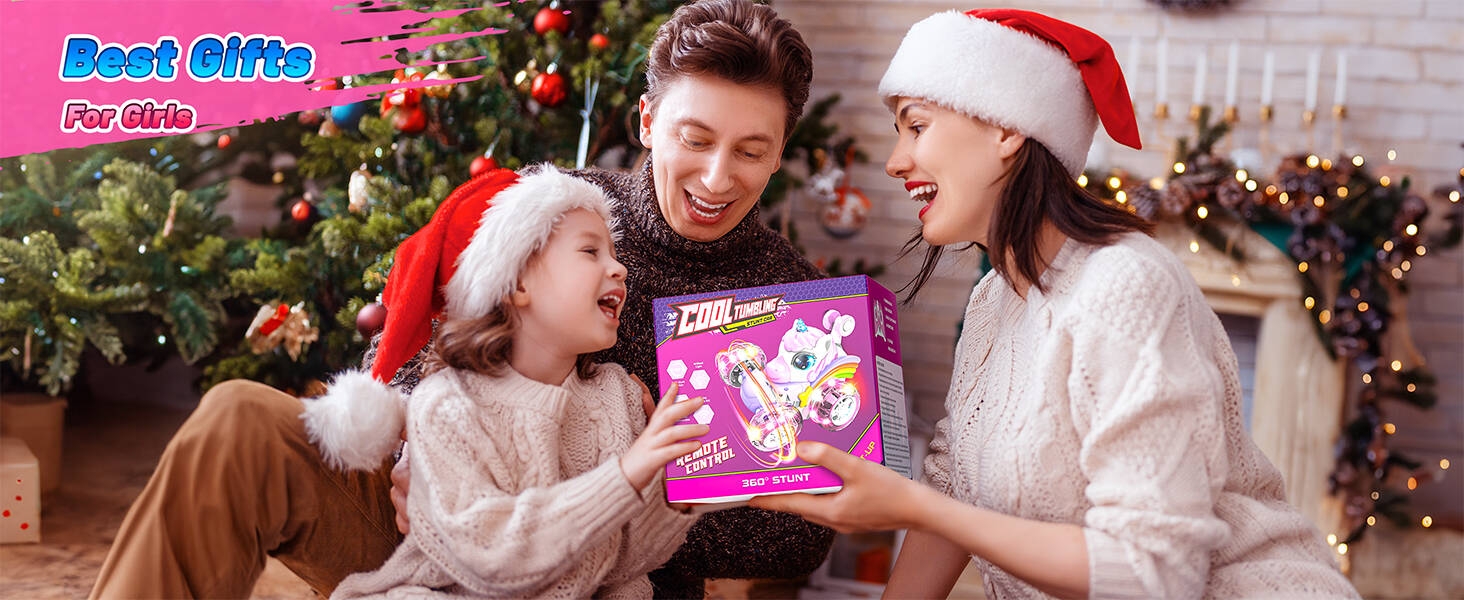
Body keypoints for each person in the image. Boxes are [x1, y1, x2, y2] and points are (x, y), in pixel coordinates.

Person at [90, 1, 830, 598]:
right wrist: (425, 451)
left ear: (781, 148)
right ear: (647, 123)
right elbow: (434, 338)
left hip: (608, 574)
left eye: (751, 151)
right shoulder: (560, 211)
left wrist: (607, 498)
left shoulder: (793, 305)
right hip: (447, 532)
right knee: (240, 421)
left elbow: (804, 530)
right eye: (694, 139)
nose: (716, 176)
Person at [751, 8, 1361, 599]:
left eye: (917, 125)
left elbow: (1154, 574)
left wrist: (910, 504)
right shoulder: (994, 297)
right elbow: (954, 484)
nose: (894, 161)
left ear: (1006, 128)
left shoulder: (1123, 284)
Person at [302, 166, 703, 598]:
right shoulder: (446, 404)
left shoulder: (616, 394)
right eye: (591, 252)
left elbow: (626, 560)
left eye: (614, 253)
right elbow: (490, 559)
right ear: (515, 284)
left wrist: (677, 493)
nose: (619, 269)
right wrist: (625, 476)